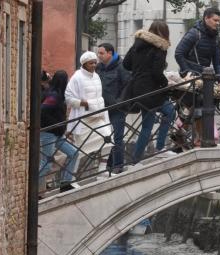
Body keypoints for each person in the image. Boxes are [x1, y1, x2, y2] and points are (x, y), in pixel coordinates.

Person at [123, 21, 175, 164]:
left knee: (149, 123)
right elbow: (157, 72)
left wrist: (139, 69)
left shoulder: (137, 43)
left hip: (136, 88)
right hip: (151, 90)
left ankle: (137, 159)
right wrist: (167, 83)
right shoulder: (160, 47)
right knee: (169, 112)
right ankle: (159, 149)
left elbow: (126, 64)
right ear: (164, 34)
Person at [175, 7, 220, 144]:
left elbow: (218, 62)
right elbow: (179, 53)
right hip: (190, 78)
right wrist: (186, 72)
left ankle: (188, 137)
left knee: (202, 105)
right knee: (197, 105)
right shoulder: (193, 33)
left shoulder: (215, 39)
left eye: (219, 21)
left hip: (205, 78)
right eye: (215, 20)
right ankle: (197, 138)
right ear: (206, 18)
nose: (217, 23)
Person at [38, 70, 81, 192]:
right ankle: (31, 187)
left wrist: (62, 128)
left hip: (57, 134)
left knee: (73, 153)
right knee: (46, 164)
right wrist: (57, 125)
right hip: (48, 134)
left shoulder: (57, 94)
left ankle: (65, 183)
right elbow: (41, 111)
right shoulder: (53, 96)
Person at [65, 51, 112, 159]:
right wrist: (85, 103)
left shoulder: (97, 76)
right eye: (91, 63)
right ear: (84, 64)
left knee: (108, 139)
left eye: (95, 63)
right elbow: (68, 98)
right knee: (80, 151)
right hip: (83, 119)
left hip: (98, 117)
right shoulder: (76, 77)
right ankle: (73, 174)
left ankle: (103, 172)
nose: (94, 65)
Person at [96, 42, 131, 174]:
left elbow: (128, 85)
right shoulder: (99, 68)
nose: (99, 56)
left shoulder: (121, 67)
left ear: (110, 53)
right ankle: (108, 165)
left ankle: (118, 165)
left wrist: (120, 102)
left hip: (118, 109)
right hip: (102, 109)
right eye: (98, 53)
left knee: (117, 136)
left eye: (101, 53)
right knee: (106, 137)